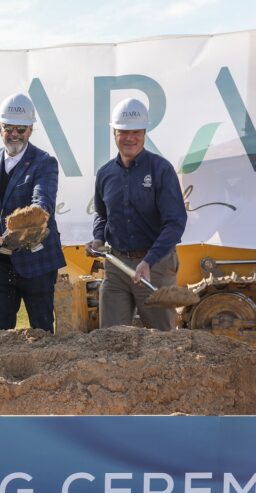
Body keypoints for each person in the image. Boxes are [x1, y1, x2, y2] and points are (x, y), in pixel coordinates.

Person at [85, 97, 188, 330]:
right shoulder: (105, 174)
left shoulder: (161, 170)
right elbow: (102, 215)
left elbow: (175, 223)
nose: (130, 138)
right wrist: (98, 239)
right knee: (112, 337)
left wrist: (149, 261)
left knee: (161, 338)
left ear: (144, 133)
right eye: (123, 132)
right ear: (114, 133)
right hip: (117, 266)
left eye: (136, 132)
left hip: (156, 265)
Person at [0, 93, 65, 333]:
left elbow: (41, 204)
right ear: (0, 128)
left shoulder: (45, 162)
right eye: (9, 128)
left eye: (21, 129)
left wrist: (17, 230)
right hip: (0, 262)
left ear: (31, 129)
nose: (14, 134)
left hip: (36, 261)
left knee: (42, 332)